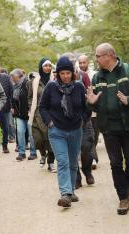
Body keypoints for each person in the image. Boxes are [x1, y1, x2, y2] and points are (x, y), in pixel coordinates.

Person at [86, 43, 129, 215]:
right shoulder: (97, 78)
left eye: (98, 56)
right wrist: (90, 102)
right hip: (109, 129)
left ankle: (128, 184)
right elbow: (93, 103)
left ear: (110, 55)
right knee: (115, 164)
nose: (96, 59)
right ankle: (122, 198)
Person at [39, 56, 88, 208]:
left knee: (73, 162)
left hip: (75, 130)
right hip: (57, 130)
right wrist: (50, 123)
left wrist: (82, 120)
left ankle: (71, 190)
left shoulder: (79, 87)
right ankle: (65, 193)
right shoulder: (51, 87)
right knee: (63, 161)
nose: (65, 76)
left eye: (68, 73)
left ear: (72, 73)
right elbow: (43, 107)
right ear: (58, 74)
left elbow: (86, 106)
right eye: (62, 73)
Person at [62, 52, 95, 189]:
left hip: (84, 121)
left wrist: (85, 116)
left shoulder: (83, 76)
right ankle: (77, 178)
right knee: (72, 152)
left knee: (87, 148)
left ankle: (87, 171)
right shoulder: (57, 80)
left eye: (72, 61)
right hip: (67, 124)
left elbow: (89, 96)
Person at [27, 58, 56, 172]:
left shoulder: (54, 80)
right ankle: (43, 154)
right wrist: (30, 108)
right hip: (36, 114)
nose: (48, 68)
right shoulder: (33, 82)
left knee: (51, 139)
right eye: (45, 65)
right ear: (41, 67)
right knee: (38, 140)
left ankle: (50, 162)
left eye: (49, 65)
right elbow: (29, 97)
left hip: (51, 114)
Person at [10, 68, 37, 161]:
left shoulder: (27, 83)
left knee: (31, 134)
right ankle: (22, 153)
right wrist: (12, 107)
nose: (12, 78)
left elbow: (32, 97)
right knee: (20, 133)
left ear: (19, 76)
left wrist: (31, 110)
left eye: (13, 76)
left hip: (29, 114)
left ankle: (33, 153)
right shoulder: (15, 86)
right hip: (19, 114)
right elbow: (13, 98)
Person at [78, 54, 100, 169]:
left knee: (95, 136)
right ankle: (91, 159)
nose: (82, 65)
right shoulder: (76, 74)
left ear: (88, 62)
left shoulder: (95, 75)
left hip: (95, 111)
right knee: (87, 137)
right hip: (83, 112)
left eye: (84, 62)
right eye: (80, 63)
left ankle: (90, 156)